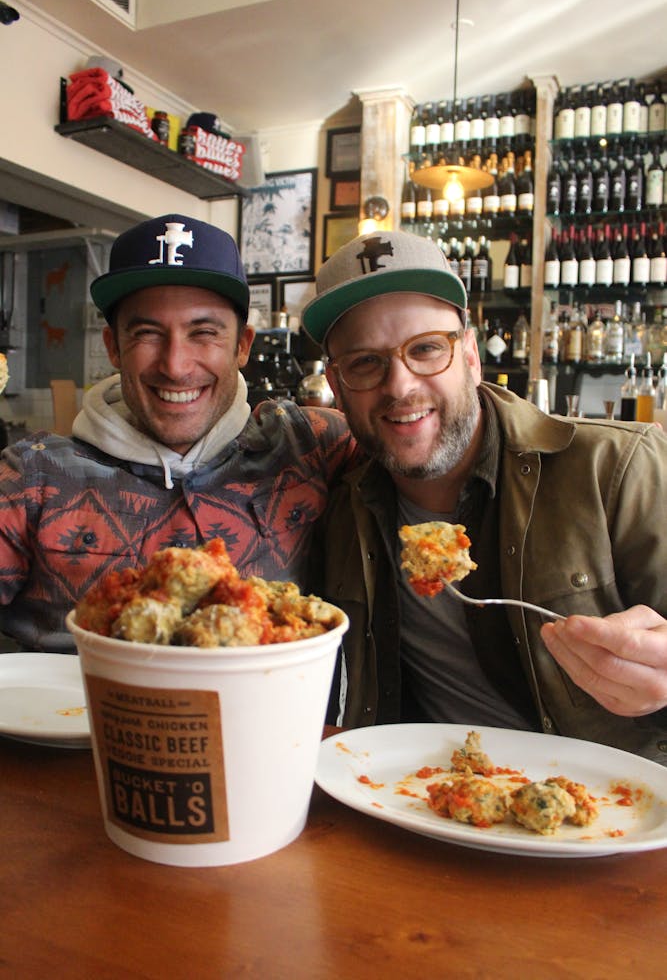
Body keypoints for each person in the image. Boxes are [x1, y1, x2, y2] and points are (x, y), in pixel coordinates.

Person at [303, 230, 667, 763]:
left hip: (608, 810)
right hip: (417, 799)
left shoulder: (620, 468)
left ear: (471, 355)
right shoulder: (339, 506)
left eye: (427, 348)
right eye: (365, 363)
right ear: (336, 384)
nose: (401, 386)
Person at [0, 213, 357, 652]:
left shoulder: (311, 446)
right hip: (75, 715)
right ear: (114, 347)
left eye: (203, 333)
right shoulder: (31, 475)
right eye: (148, 333)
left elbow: (426, 440)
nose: (175, 365)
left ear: (242, 345)